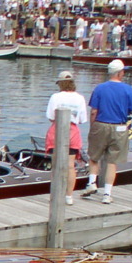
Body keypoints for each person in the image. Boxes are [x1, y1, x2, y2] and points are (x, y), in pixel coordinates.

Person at [83, 59, 132, 205]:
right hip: (119, 127)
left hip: (100, 124)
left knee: (94, 156)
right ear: (120, 73)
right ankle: (107, 194)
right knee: (112, 162)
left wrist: (92, 126)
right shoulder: (128, 89)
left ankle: (91, 183)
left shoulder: (100, 88)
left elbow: (94, 110)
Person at [44, 70, 88, 205]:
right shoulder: (80, 98)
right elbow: (82, 119)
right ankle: (69, 196)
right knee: (70, 166)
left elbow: (50, 116)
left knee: (56, 165)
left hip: (57, 130)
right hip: (72, 132)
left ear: (60, 84)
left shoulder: (55, 97)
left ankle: (56, 194)